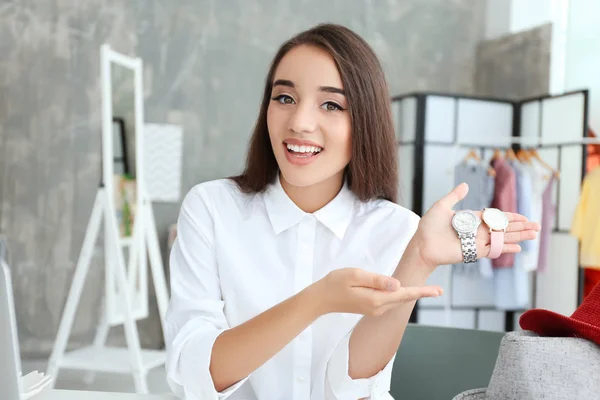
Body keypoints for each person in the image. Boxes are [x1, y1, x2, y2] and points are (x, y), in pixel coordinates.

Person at [164, 23, 540, 400]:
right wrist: (316, 300)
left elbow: (353, 389)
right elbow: (193, 374)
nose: (299, 122)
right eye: (284, 98)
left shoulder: (398, 229)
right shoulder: (212, 208)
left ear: (365, 120)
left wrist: (419, 258)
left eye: (331, 104)